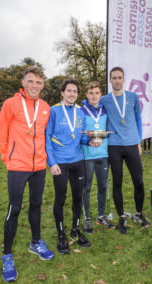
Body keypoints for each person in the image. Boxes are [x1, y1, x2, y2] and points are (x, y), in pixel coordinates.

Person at [0, 66, 54, 282]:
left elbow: (48, 136)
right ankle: (7, 255)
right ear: (24, 82)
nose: (35, 86)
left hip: (38, 166)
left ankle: (36, 242)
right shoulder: (11, 104)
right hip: (17, 166)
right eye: (31, 81)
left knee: (36, 205)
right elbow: (1, 132)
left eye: (39, 83)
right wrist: (6, 158)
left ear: (43, 85)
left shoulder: (46, 107)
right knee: (15, 208)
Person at [46, 78, 98, 254]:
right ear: (62, 92)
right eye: (69, 91)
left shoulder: (80, 113)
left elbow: (81, 137)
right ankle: (61, 235)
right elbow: (47, 138)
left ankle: (75, 230)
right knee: (60, 199)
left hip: (78, 161)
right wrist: (51, 163)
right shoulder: (53, 111)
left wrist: (90, 142)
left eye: (75, 91)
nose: (71, 94)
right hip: (60, 163)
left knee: (78, 197)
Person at [101, 66, 149, 234]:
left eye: (119, 77)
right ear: (110, 80)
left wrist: (139, 141)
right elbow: (89, 104)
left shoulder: (133, 97)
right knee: (117, 183)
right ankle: (121, 217)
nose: (117, 80)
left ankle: (138, 213)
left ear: (124, 79)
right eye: (114, 78)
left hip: (131, 145)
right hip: (113, 146)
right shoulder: (105, 99)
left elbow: (137, 118)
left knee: (139, 181)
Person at [81, 81, 114, 233]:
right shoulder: (81, 111)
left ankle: (101, 216)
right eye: (91, 93)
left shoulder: (106, 109)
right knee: (86, 188)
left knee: (102, 186)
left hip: (103, 154)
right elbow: (79, 132)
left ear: (101, 94)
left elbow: (110, 129)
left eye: (97, 93)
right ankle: (87, 218)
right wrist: (88, 142)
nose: (94, 96)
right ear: (86, 94)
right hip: (87, 155)